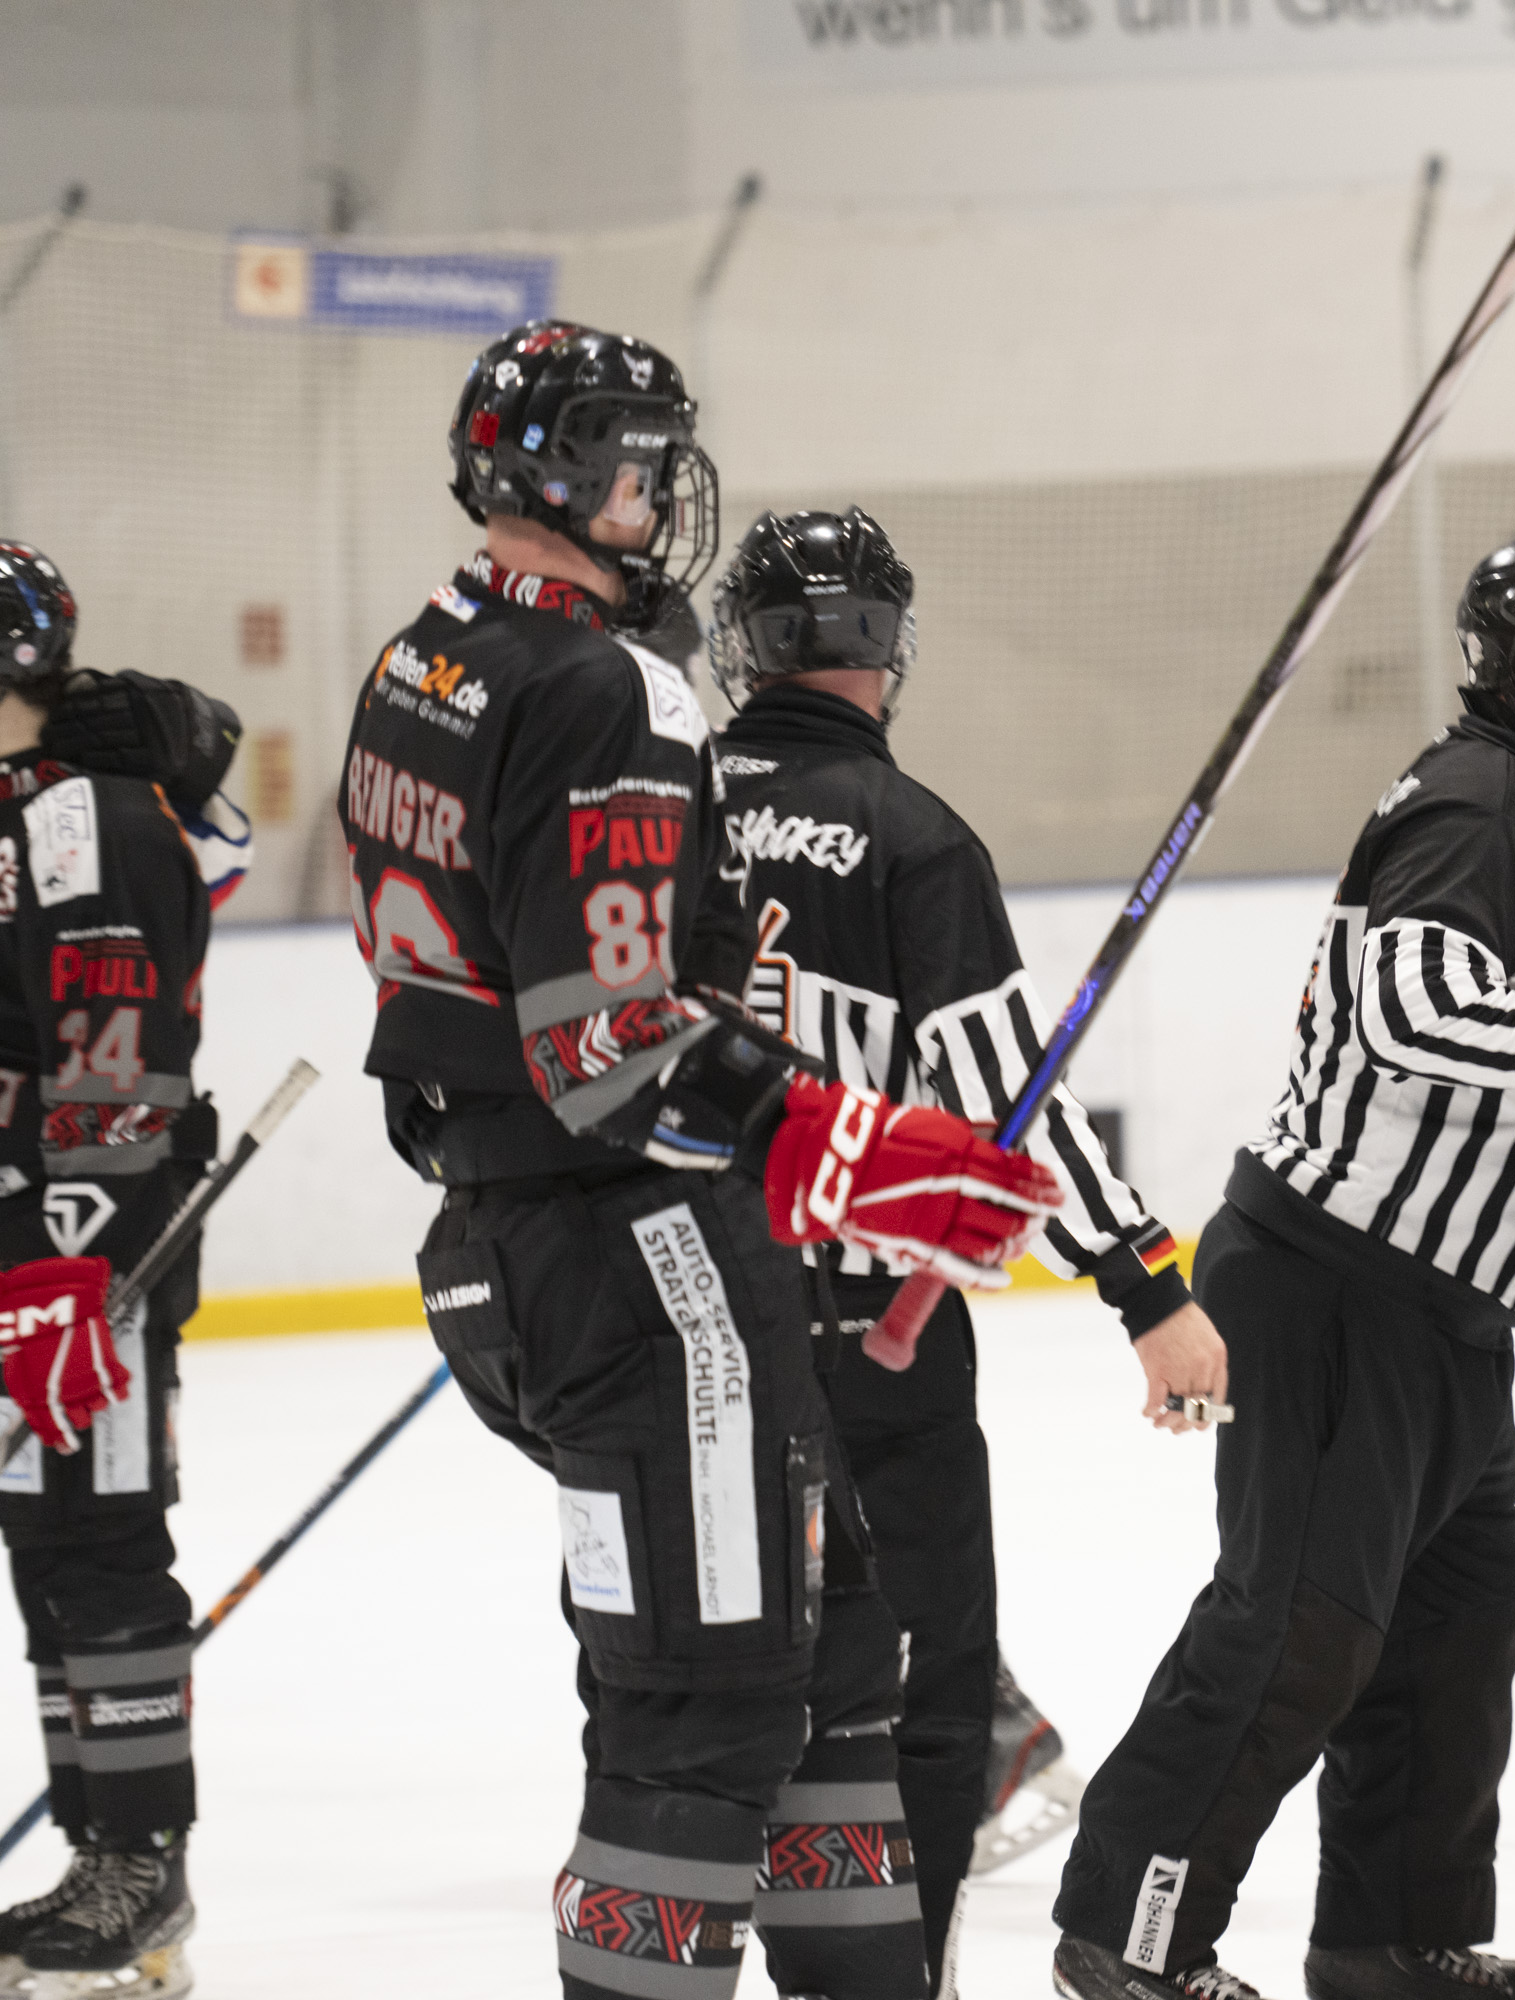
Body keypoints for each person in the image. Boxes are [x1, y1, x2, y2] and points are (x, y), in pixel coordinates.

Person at [356, 318, 1067, 2000]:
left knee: (833, 1655)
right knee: (712, 1696)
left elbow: (496, 985)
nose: (661, 493)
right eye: (637, 460)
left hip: (525, 1239)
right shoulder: (604, 683)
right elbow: (600, 1044)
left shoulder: (426, 655)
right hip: (642, 1260)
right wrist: (849, 1148)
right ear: (562, 469)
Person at [1048, 537, 1515, 2000]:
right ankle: (1128, 1939)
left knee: (1453, 1621)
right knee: (1297, 1628)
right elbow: (1405, 999)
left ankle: (1385, 1944)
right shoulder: (1481, 800)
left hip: (1440, 1320)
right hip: (1338, 1289)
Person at [705, 507, 1231, 1994]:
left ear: (746, 642)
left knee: (696, 1689)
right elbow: (1016, 1119)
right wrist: (1147, 1288)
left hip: (682, 1325)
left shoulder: (659, 803)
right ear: (891, 649)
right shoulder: (914, 838)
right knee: (918, 1704)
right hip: (874, 1345)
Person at [0, 543, 245, 2000]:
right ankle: (100, 1851)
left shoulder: (87, 818)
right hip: (31, 1247)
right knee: (47, 1547)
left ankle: (144, 1865)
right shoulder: (31, 811)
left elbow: (112, 1072)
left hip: (92, 1252)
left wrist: (66, 1269)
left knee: (98, 1545)